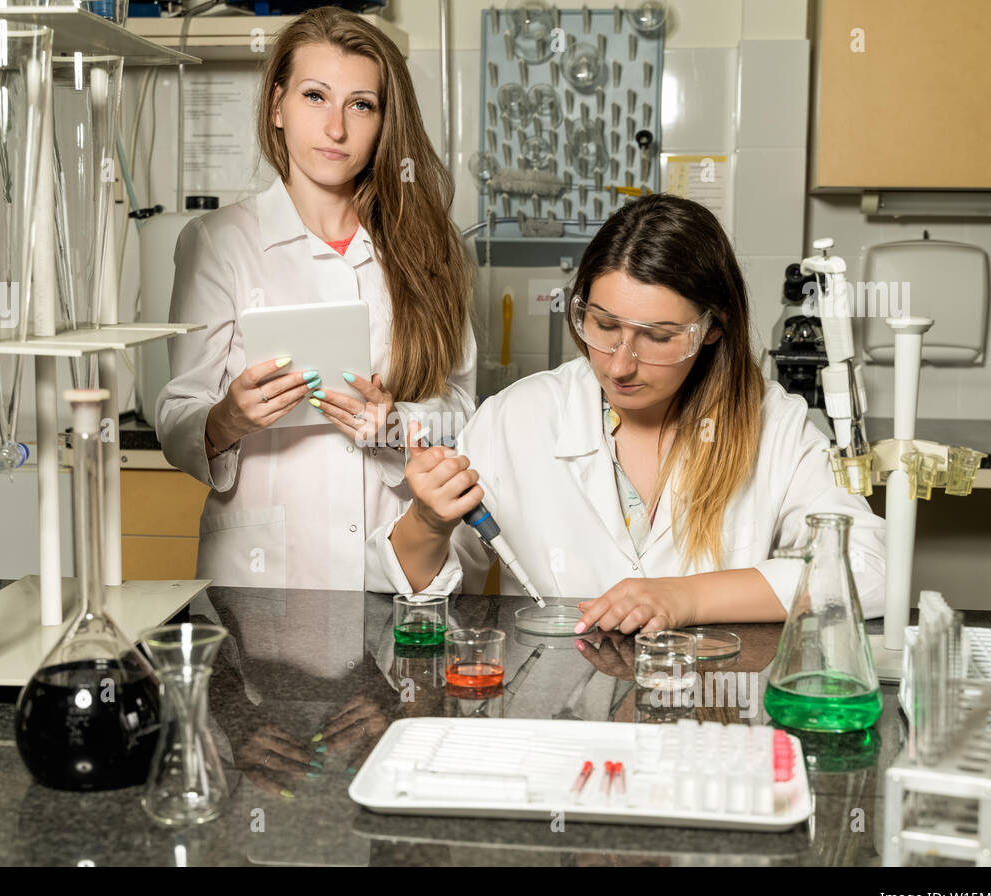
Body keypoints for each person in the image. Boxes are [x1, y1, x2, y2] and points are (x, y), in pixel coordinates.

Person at [366, 193, 886, 634]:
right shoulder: (519, 416)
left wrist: (685, 599)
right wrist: (428, 521)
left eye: (658, 337)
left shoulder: (775, 425)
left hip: (707, 712)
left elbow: (866, 567)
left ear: (713, 328)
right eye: (604, 325)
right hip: (559, 713)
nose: (620, 365)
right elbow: (414, 595)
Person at [155, 7, 476, 589]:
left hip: (393, 563)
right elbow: (178, 414)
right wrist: (226, 418)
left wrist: (396, 423)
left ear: (383, 122)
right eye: (314, 97)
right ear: (276, 106)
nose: (336, 128)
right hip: (260, 577)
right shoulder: (217, 242)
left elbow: (463, 415)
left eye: (360, 104)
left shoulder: (430, 247)